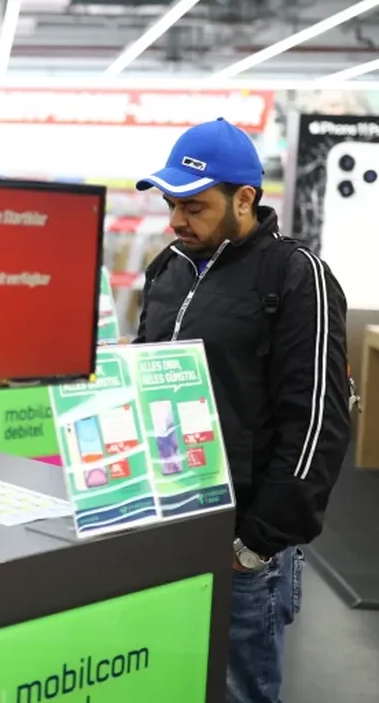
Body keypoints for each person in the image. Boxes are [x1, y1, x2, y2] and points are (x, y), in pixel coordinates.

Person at [134, 118, 351, 703]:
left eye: (194, 206)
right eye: (170, 204)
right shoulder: (170, 269)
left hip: (243, 549)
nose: (176, 220)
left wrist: (258, 542)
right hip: (166, 530)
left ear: (244, 199)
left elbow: (317, 423)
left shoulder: (295, 276)